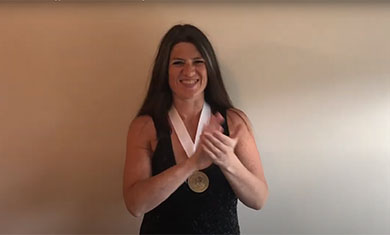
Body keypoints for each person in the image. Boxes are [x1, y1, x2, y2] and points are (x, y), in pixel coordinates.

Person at [123, 24, 268, 234]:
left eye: (198, 61)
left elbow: (259, 199)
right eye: (178, 63)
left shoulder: (235, 122)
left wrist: (228, 161)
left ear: (209, 67)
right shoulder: (145, 127)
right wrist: (191, 165)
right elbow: (136, 205)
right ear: (165, 70)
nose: (189, 71)